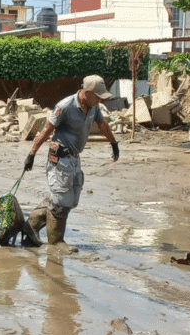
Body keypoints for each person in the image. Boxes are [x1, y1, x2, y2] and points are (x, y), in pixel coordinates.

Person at [23, 74, 120, 252]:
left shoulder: (93, 107)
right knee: (61, 201)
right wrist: (31, 154)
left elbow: (103, 125)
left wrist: (113, 143)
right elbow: (46, 131)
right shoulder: (65, 106)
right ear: (86, 93)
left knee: (70, 200)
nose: (100, 101)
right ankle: (57, 242)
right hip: (59, 158)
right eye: (97, 96)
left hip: (74, 158)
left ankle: (31, 225)